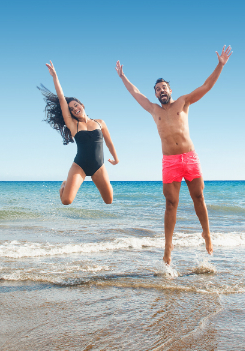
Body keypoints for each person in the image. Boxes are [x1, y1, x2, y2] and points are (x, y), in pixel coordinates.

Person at [115, 46, 232, 265]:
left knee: (199, 197)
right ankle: (168, 246)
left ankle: (206, 233)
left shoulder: (183, 102)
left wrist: (220, 65)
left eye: (164, 87)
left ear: (170, 89)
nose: (161, 91)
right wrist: (123, 77)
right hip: (170, 162)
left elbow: (206, 86)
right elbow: (135, 92)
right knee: (171, 204)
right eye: (158, 89)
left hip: (189, 158)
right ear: (156, 94)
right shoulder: (153, 110)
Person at [38, 61, 119, 205]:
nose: (75, 109)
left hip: (98, 166)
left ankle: (107, 184)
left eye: (76, 105)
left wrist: (116, 158)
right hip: (80, 165)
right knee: (66, 201)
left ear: (82, 104)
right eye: (72, 109)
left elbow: (109, 142)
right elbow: (62, 99)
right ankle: (65, 184)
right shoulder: (73, 124)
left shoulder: (100, 122)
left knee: (109, 201)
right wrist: (55, 77)